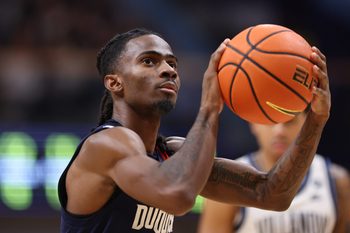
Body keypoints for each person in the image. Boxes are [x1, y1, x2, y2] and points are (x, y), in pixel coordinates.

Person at [58, 28, 331, 233]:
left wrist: (316, 120)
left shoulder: (173, 153)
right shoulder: (106, 144)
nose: (167, 70)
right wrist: (210, 108)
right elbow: (178, 195)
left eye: (172, 63)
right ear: (114, 83)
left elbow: (272, 193)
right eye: (149, 61)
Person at [197, 110, 350, 233]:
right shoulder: (227, 182)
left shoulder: (337, 180)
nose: (279, 131)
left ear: (305, 122)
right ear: (253, 124)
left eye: (289, 121)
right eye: (270, 121)